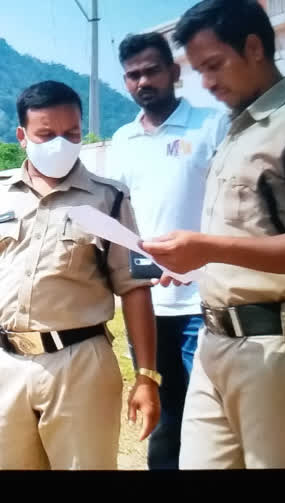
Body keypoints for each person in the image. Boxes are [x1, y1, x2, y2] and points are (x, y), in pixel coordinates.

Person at [0, 80, 160, 470]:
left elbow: (136, 288)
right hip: (2, 362)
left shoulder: (109, 199)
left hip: (79, 365)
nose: (60, 144)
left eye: (72, 134)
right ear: (22, 136)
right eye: (46, 134)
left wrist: (147, 376)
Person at [142, 0, 285, 469]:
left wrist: (209, 248)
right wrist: (199, 264)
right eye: (198, 71)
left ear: (254, 47)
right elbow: (253, 234)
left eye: (214, 65)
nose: (207, 83)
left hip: (275, 347)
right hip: (214, 341)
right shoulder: (236, 130)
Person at [105, 31, 229, 469]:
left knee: (210, 416)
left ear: (174, 72)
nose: (143, 82)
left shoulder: (213, 126)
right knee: (160, 414)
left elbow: (232, 207)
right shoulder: (122, 141)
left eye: (151, 70)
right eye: (132, 75)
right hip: (147, 304)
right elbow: (117, 219)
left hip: (205, 301)